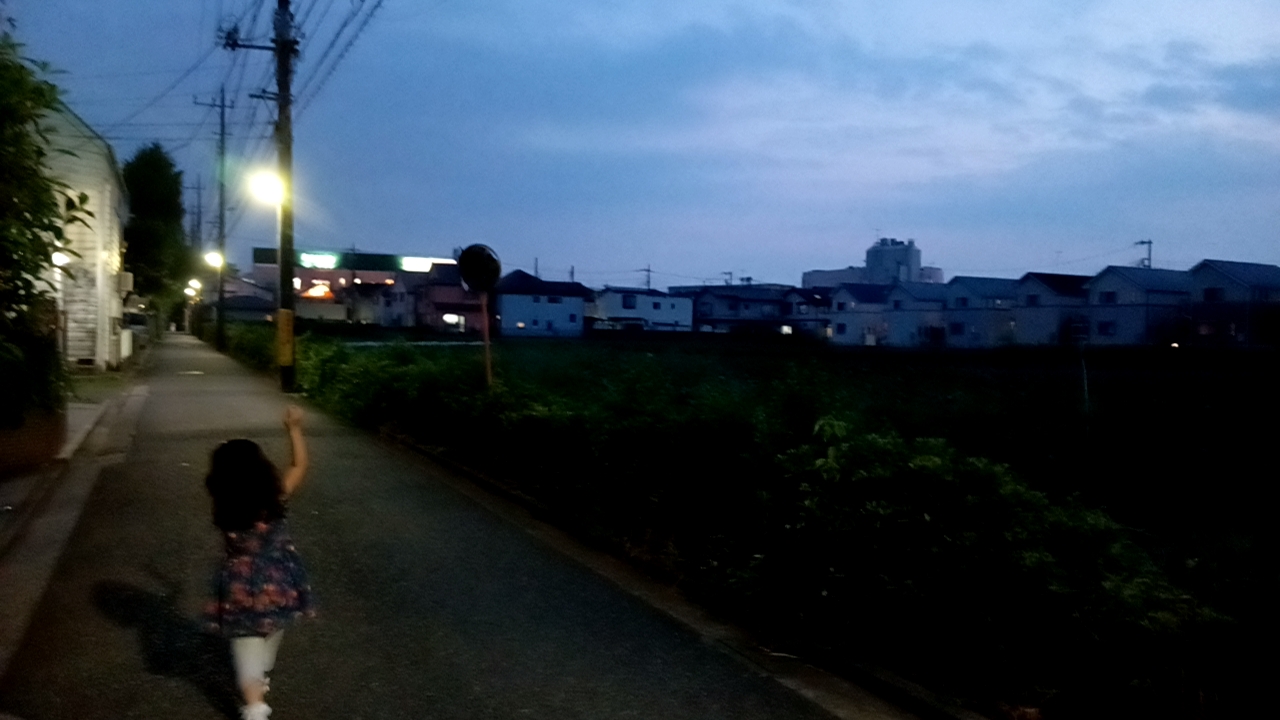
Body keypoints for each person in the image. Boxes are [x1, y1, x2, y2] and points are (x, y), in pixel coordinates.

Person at [204, 405, 315, 720]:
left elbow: (228, 479)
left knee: (245, 642)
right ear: (264, 472)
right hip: (279, 583)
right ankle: (261, 673)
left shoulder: (224, 507)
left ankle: (254, 705)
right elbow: (299, 464)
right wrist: (293, 428)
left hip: (240, 587)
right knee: (272, 627)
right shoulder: (275, 499)